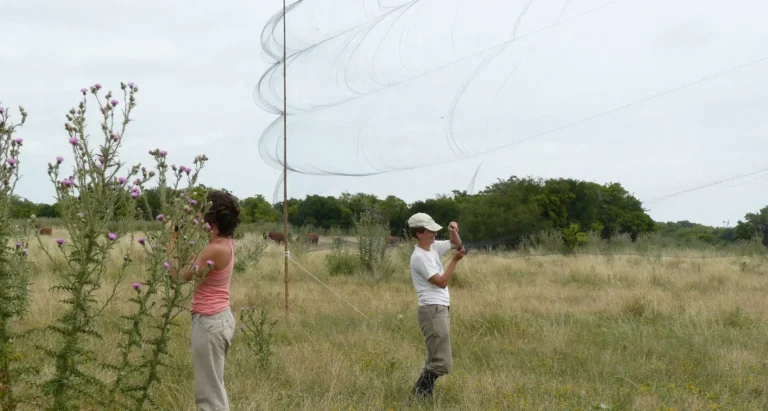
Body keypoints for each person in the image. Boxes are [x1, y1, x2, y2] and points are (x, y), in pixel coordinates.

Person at [167, 190, 241, 411]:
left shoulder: (215, 249)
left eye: (201, 215)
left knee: (209, 399)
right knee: (214, 388)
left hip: (209, 324)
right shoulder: (225, 243)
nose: (197, 218)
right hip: (218, 320)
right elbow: (195, 265)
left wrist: (171, 239)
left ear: (212, 220)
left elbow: (178, 277)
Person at [406, 212, 466, 399]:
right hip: (432, 310)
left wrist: (453, 230)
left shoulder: (432, 248)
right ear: (419, 233)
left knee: (433, 358)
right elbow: (441, 282)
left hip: (438, 308)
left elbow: (456, 243)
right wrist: (454, 261)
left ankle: (422, 398)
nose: (434, 233)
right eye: (430, 230)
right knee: (442, 363)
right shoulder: (420, 257)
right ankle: (419, 393)